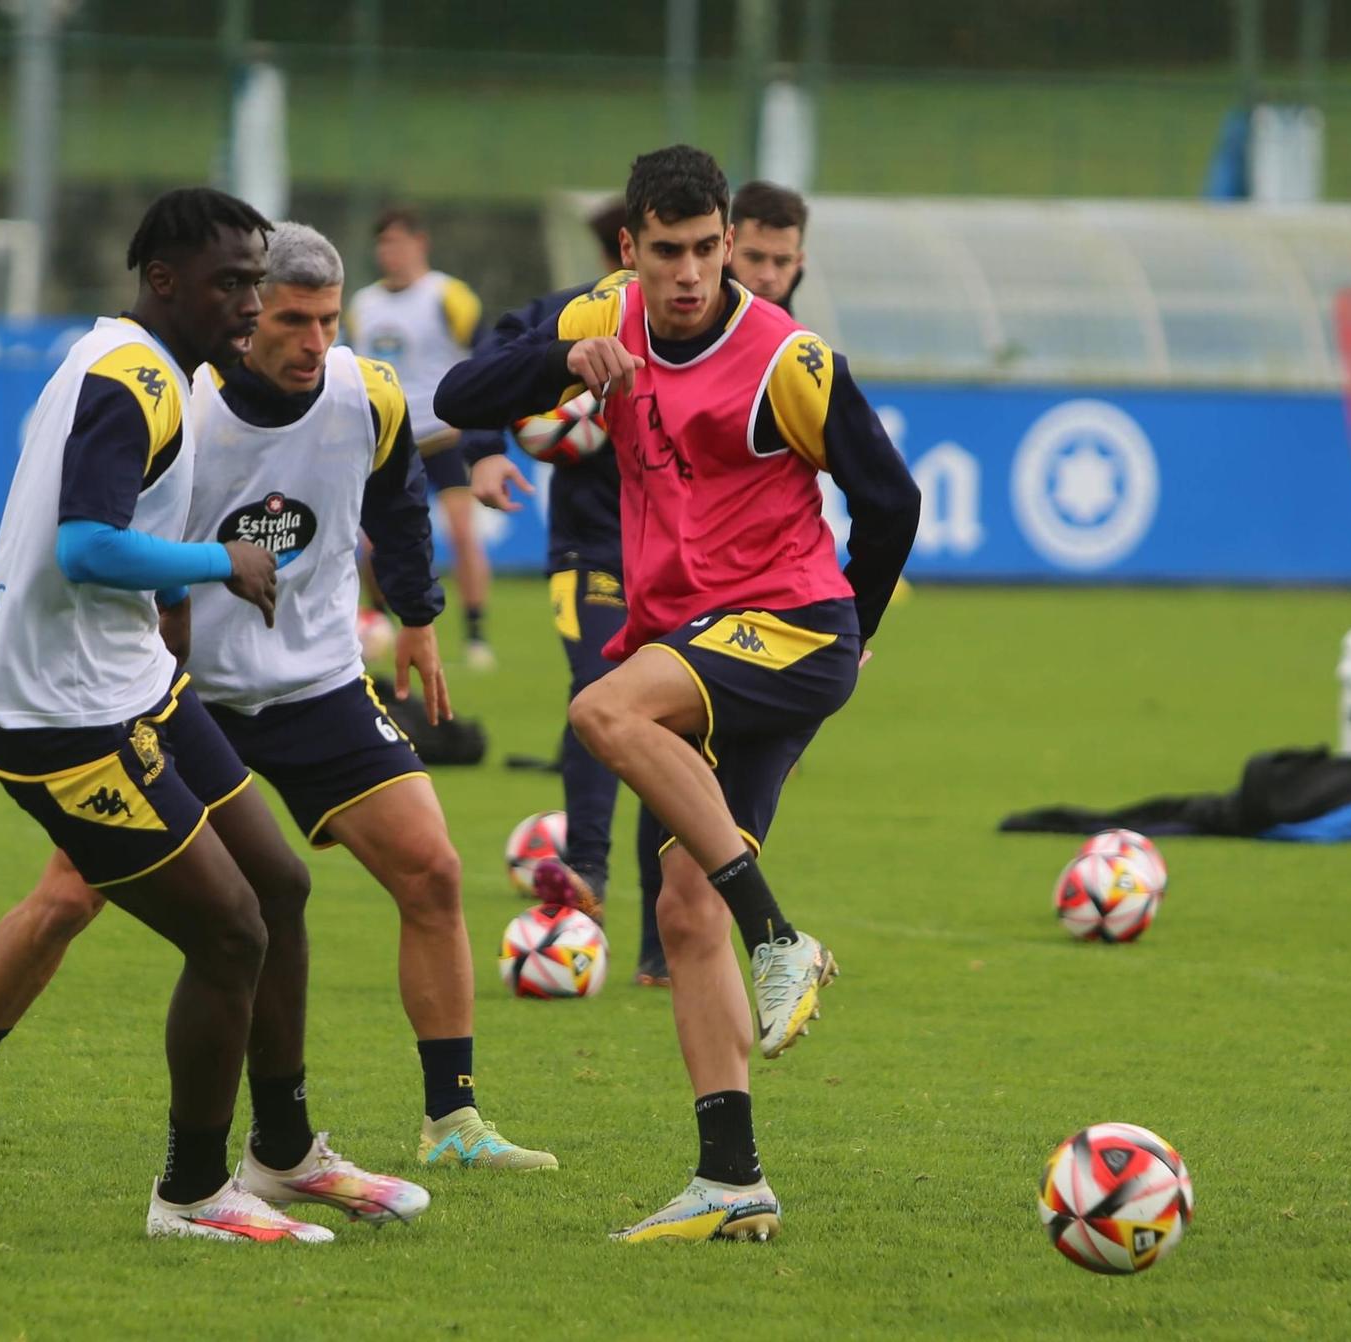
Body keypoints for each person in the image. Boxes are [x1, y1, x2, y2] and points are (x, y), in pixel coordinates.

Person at [0, 222, 555, 1194]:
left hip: (317, 684)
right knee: (70, 892)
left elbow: (397, 493)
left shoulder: (362, 391)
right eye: (290, 318)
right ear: (247, 316)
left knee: (433, 868)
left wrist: (416, 615)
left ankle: (450, 1114)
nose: (312, 340)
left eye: (327, 319)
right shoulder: (186, 402)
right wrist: (165, 645)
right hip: (187, 696)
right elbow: (123, 545)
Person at [436, 144, 921, 1242]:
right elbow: (460, 395)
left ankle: (781, 936)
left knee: (602, 709)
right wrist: (572, 354)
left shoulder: (787, 362)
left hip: (788, 628)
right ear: (629, 248)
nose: (694, 272)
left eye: (710, 250)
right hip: (698, 643)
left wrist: (860, 628)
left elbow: (890, 501)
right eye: (671, 252)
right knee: (679, 908)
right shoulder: (607, 313)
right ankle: (730, 1177)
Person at [0, 187, 364, 1242]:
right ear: (162, 281)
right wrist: (221, 559)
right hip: (62, 722)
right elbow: (87, 547)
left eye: (258, 281)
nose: (251, 303)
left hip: (134, 687)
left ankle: (283, 1152)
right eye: (232, 283)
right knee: (230, 934)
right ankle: (189, 1195)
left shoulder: (141, 364)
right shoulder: (132, 379)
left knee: (281, 883)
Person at [462, 201, 671, 986]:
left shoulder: (725, 330)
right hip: (591, 551)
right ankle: (587, 868)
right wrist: (483, 449)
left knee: (671, 731)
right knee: (602, 692)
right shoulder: (573, 314)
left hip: (681, 559)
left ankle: (661, 941)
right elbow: (488, 365)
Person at [347, 206, 496, 670]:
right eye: (383, 244)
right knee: (370, 545)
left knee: (463, 533)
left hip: (443, 435)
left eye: (399, 242)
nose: (390, 252)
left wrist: (475, 416)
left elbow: (487, 355)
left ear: (419, 243)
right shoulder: (363, 306)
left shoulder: (449, 296)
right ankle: (383, 621)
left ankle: (475, 635)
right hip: (389, 439)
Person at [727, 180, 808, 311]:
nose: (767, 277)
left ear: (798, 262)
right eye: (754, 258)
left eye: (782, 261)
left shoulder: (800, 332)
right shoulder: (688, 329)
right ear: (727, 248)